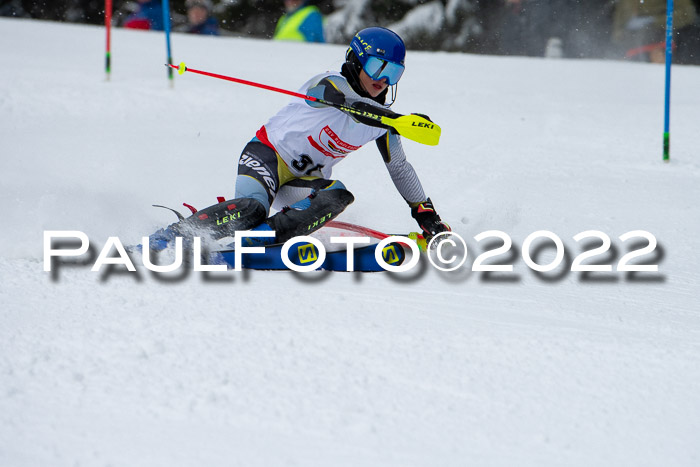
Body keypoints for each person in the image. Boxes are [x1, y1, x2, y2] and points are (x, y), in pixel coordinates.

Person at [150, 27, 450, 250]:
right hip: (266, 157)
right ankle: (173, 235)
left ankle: (260, 239)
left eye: (394, 73)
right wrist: (400, 121)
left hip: (301, 182)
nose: (383, 79)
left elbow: (399, 167)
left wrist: (427, 217)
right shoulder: (329, 82)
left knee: (338, 195)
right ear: (357, 61)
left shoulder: (383, 122)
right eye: (378, 67)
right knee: (253, 208)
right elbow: (349, 104)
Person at [612, 0, 697, 62]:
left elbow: (687, 13)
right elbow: (620, 15)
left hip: (659, 38)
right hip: (629, 42)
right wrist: (618, 35)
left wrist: (655, 21)